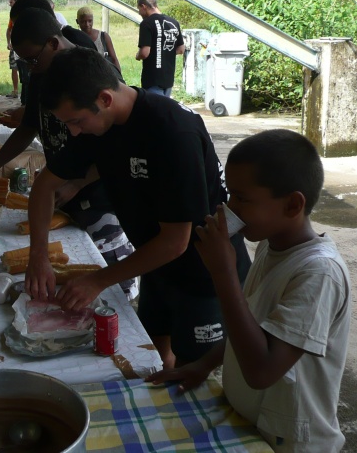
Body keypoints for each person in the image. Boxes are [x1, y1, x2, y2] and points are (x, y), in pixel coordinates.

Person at [31, 48, 251, 368]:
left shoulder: (172, 131)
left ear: (105, 98)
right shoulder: (99, 124)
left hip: (202, 274)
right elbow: (44, 185)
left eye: (76, 121)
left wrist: (98, 280)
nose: (74, 132)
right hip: (153, 263)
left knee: (195, 373)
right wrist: (38, 254)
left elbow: (177, 240)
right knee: (152, 353)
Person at [149, 130, 351, 452]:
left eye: (242, 199)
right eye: (230, 196)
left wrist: (224, 273)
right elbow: (256, 324)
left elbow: (261, 371)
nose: (229, 209)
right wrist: (203, 364)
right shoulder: (272, 247)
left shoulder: (319, 273)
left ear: (292, 204)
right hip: (253, 424)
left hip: (291, 440)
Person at [0, 8, 138, 299]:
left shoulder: (93, 72)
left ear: (53, 43)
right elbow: (28, 128)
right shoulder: (42, 74)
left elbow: (119, 146)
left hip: (100, 198)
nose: (31, 67)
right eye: (25, 62)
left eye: (33, 59)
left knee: (113, 286)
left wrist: (77, 183)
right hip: (63, 191)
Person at [135, 0, 185, 97]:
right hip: (168, 79)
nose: (139, 13)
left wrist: (137, 56)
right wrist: (165, 52)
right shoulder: (173, 22)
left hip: (152, 79)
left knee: (154, 112)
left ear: (144, 7)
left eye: (139, 9)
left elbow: (145, 53)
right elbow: (181, 49)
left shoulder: (146, 23)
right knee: (164, 110)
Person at [76, 5, 122, 74]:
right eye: (83, 21)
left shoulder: (103, 37)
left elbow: (114, 58)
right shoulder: (75, 38)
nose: (87, 24)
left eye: (90, 21)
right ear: (77, 21)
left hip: (104, 76)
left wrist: (119, 78)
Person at [5, 0, 21, 99]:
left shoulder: (22, 13)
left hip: (22, 46)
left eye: (11, 2)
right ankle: (15, 90)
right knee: (14, 68)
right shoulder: (12, 15)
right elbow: (9, 29)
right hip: (15, 46)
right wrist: (9, 42)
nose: (9, 4)